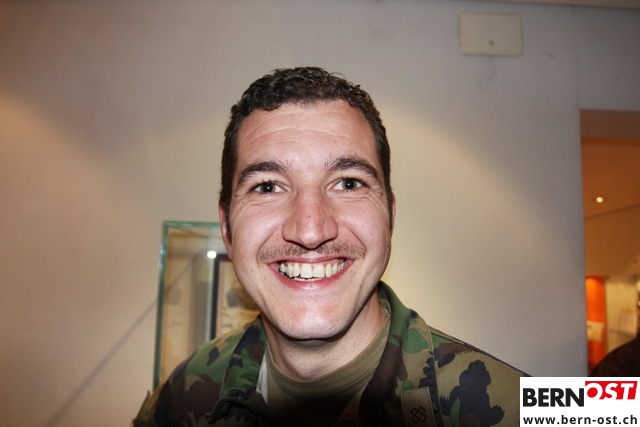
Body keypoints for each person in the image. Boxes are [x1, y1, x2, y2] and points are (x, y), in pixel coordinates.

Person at [133, 67, 527, 427]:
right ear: (226, 228)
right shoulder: (183, 398)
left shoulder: (526, 410)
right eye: (267, 187)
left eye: (349, 183)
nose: (310, 230)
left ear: (390, 215)